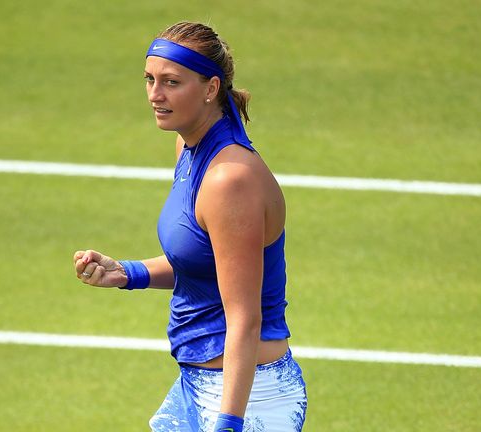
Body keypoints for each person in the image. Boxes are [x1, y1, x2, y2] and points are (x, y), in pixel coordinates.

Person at [73, 21, 307, 432]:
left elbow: (245, 318)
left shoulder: (229, 180)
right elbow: (204, 262)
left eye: (171, 82)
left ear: (210, 88)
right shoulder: (188, 147)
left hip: (248, 399)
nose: (154, 95)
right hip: (196, 384)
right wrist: (130, 273)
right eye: (149, 79)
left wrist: (229, 423)